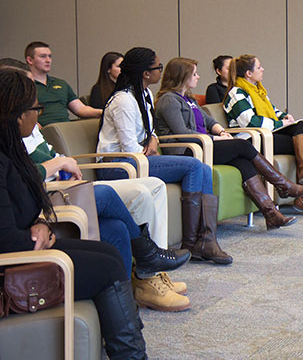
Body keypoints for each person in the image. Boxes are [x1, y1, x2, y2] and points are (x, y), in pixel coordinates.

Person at [0, 67, 147, 359]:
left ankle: (130, 348)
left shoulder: (11, 150)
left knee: (108, 252)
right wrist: (37, 235)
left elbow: (24, 207)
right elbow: (6, 241)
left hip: (28, 250)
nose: (39, 115)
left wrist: (41, 223)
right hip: (12, 267)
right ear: (17, 116)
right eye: (35, 108)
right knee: (107, 269)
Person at [25, 124, 192, 311]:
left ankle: (139, 289)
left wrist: (66, 167)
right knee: (106, 193)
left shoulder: (31, 129)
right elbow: (24, 177)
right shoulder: (12, 134)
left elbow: (56, 159)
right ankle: (149, 257)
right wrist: (59, 165)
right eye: (35, 108)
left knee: (130, 212)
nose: (39, 114)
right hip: (47, 197)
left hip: (66, 187)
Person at [97, 47, 232, 264]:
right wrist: (149, 145)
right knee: (194, 166)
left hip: (140, 158)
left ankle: (206, 240)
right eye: (157, 67)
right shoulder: (122, 101)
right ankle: (191, 243)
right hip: (117, 165)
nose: (161, 71)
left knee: (203, 168)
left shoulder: (145, 95)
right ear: (145, 74)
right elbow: (129, 147)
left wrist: (152, 140)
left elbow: (149, 132)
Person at [156, 57, 303, 226]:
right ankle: (283, 185)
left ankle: (271, 214)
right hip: (186, 150)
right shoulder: (169, 99)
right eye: (194, 74)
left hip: (204, 144)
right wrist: (216, 138)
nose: (198, 77)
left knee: (243, 162)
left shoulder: (189, 99)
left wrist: (221, 131)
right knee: (242, 145)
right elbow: (182, 133)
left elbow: (209, 121)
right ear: (181, 76)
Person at [224, 54, 303, 183]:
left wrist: (285, 117)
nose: (263, 69)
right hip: (251, 139)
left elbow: (273, 111)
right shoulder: (236, 93)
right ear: (249, 73)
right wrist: (279, 123)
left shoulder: (258, 91)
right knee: (299, 144)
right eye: (259, 67)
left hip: (266, 133)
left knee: (301, 126)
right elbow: (250, 121)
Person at [24, 41, 102, 126]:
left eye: (50, 56)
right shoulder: (25, 86)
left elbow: (80, 109)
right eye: (43, 57)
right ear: (30, 60)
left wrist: (102, 112)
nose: (48, 60)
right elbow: (23, 115)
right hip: (42, 130)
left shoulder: (61, 83)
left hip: (65, 130)